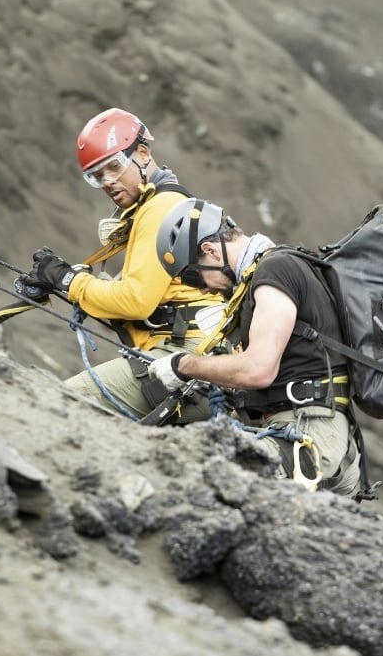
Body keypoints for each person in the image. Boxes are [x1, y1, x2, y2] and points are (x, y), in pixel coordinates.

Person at [16, 108, 224, 423]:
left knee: (55, 404)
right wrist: (73, 282)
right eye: (97, 176)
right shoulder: (164, 206)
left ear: (142, 153)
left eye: (114, 167)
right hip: (198, 354)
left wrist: (68, 281)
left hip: (184, 357)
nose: (107, 182)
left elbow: (136, 301)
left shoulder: (159, 209)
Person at [147, 197, 363, 496]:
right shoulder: (272, 270)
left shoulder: (275, 270)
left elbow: (258, 369)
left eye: (194, 276)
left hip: (308, 432)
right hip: (306, 429)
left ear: (209, 251)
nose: (204, 289)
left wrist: (184, 366)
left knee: (201, 484)